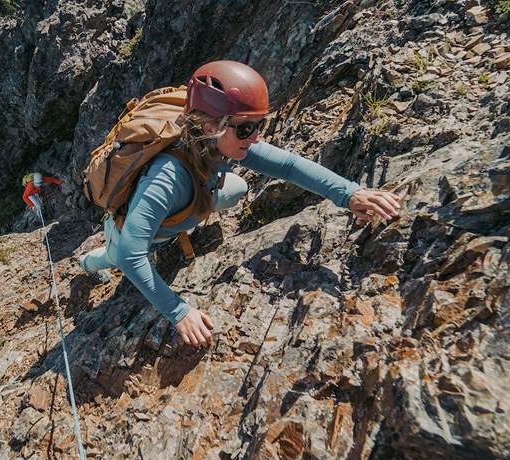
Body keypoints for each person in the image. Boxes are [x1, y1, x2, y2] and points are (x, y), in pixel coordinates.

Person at [78, 60, 401, 349]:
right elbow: (130, 253)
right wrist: (178, 311)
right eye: (247, 128)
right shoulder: (167, 176)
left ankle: (177, 225)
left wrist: (349, 194)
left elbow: (288, 165)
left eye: (259, 125)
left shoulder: (217, 143)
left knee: (237, 187)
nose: (256, 137)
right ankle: (88, 265)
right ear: (210, 127)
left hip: (181, 207)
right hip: (128, 236)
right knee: (116, 255)